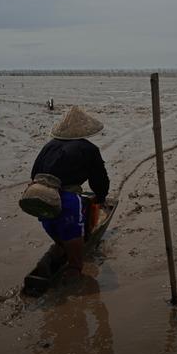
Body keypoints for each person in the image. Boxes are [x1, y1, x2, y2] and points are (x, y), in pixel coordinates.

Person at [30, 106, 110, 282]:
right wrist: (101, 197)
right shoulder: (88, 149)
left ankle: (60, 248)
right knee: (73, 230)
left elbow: (34, 172)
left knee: (52, 224)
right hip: (65, 197)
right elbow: (99, 178)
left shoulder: (48, 146)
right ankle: (74, 268)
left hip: (39, 195)